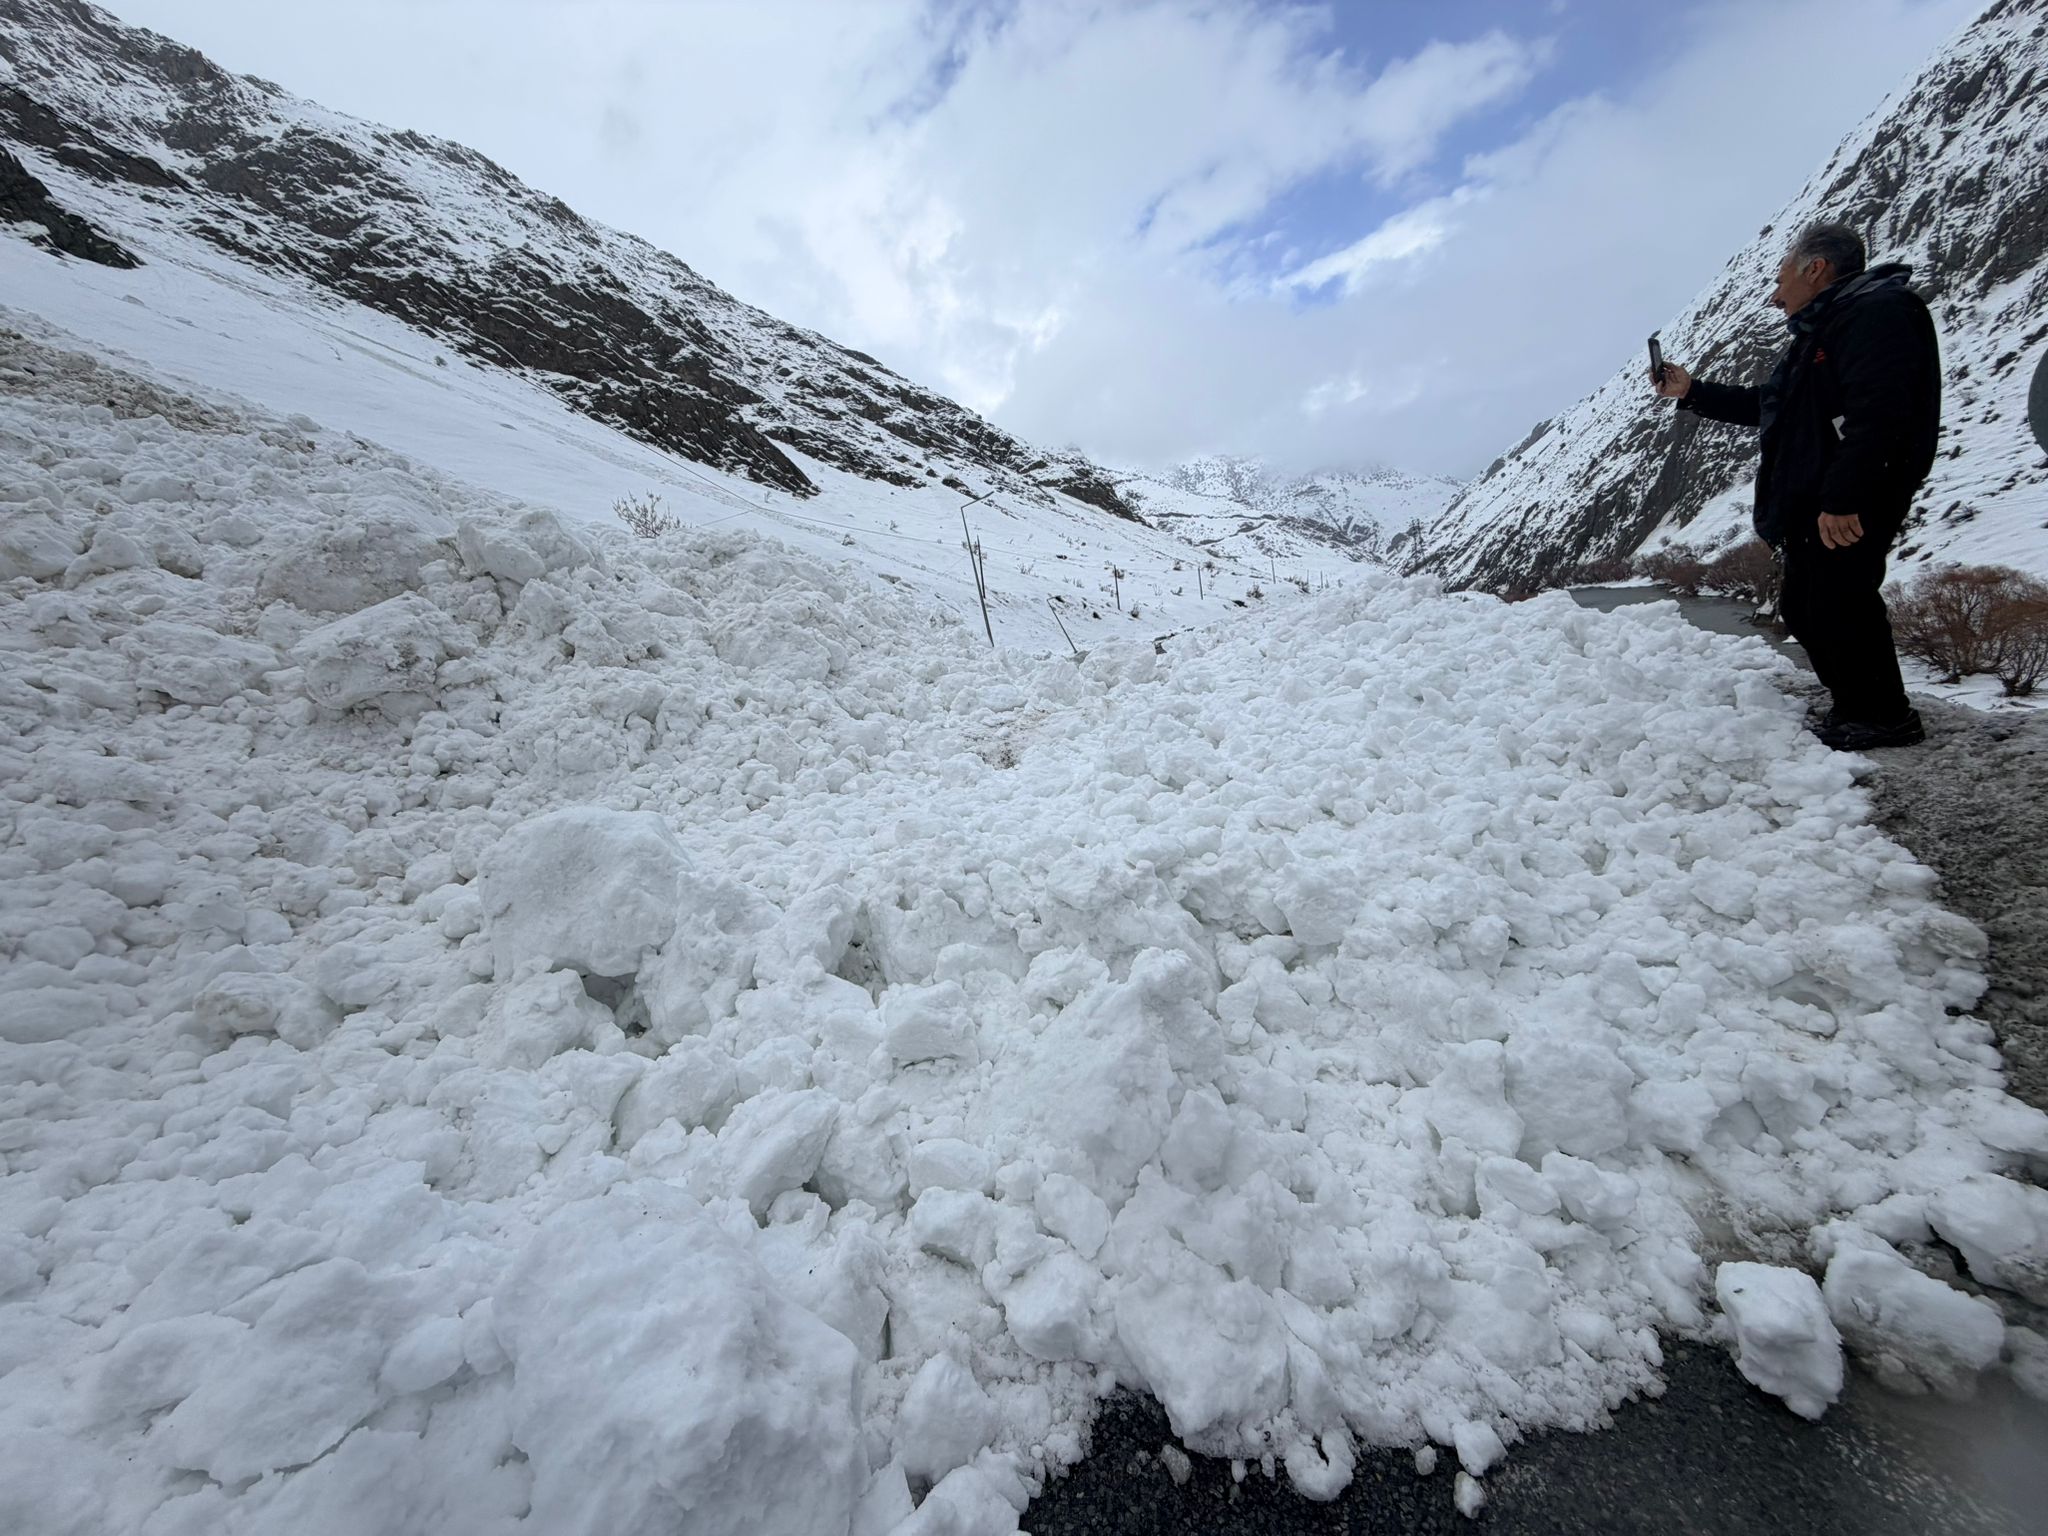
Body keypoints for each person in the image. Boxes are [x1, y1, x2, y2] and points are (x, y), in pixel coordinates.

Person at [1652, 221, 1941, 751]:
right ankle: (1857, 706)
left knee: (1842, 601)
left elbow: (1881, 415)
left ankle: (1884, 716)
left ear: (1816, 269)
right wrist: (1692, 391)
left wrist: (1844, 497)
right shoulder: (1828, 326)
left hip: (1849, 496)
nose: (1774, 292)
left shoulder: (1878, 314)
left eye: (1780, 277)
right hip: (1819, 496)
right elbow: (1774, 405)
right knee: (1810, 605)